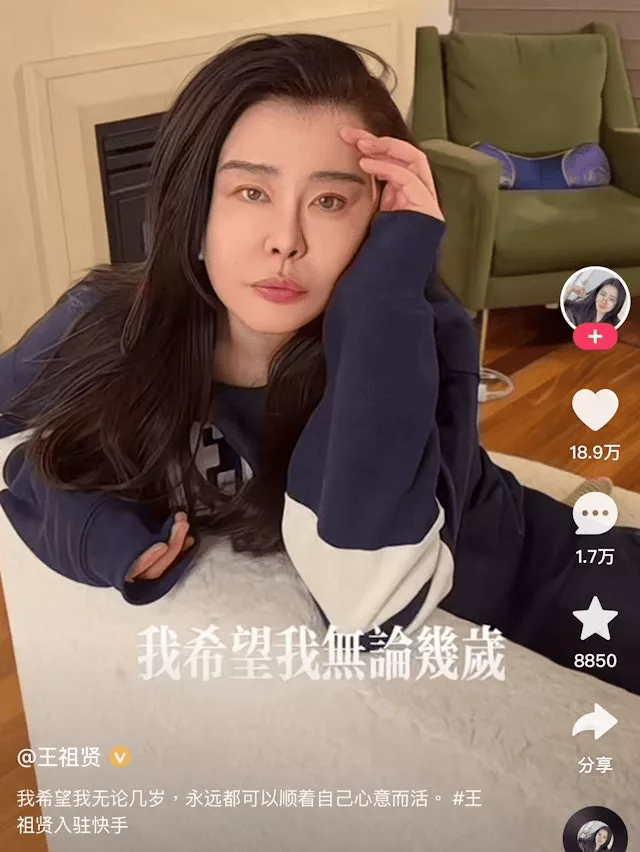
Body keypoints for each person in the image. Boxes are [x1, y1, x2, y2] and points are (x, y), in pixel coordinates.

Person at [1, 33, 639, 693]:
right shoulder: (107, 322)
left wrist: (382, 285)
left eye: (330, 201)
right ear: (193, 207)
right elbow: (13, 432)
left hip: (542, 583)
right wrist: (88, 527)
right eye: (251, 192)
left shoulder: (411, 331)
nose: (286, 240)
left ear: (378, 218)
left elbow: (367, 603)